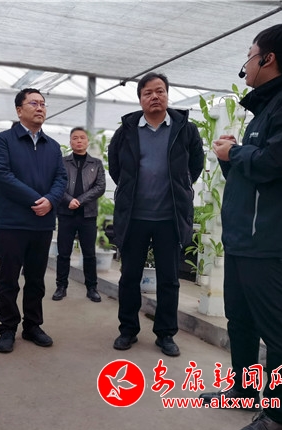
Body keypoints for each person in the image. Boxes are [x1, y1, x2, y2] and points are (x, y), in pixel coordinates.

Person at [199, 24, 282, 430]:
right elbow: (254, 174)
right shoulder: (266, 111)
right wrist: (231, 157)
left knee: (277, 330)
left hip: (272, 241)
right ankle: (244, 389)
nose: (247, 63)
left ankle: (278, 416)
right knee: (241, 321)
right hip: (245, 238)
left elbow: (278, 162)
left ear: (268, 58)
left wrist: (236, 152)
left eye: (250, 54)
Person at [108, 72, 203, 356]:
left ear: (167, 94)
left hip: (169, 218)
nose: (155, 97)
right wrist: (130, 190)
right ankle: (128, 330)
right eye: (148, 92)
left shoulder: (185, 130)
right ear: (140, 98)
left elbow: (195, 165)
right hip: (134, 217)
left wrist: (180, 188)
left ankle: (165, 334)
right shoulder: (126, 130)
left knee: (169, 280)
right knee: (129, 277)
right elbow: (116, 167)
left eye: (160, 91)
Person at [0, 88, 67, 353]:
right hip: (13, 222)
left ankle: (33, 325)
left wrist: (51, 200)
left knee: (36, 279)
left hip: (42, 224)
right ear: (19, 109)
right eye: (33, 103)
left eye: (43, 104)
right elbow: (2, 175)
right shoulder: (4, 140)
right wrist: (38, 200)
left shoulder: (53, 146)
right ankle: (7, 328)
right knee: (9, 279)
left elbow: (61, 178)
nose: (40, 108)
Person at [52, 127, 106, 302]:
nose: (79, 141)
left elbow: (100, 187)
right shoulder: (62, 162)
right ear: (70, 142)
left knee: (89, 254)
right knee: (63, 253)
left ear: (87, 141)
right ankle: (61, 286)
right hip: (66, 213)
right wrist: (68, 200)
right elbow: (56, 184)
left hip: (87, 215)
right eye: (75, 138)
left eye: (82, 137)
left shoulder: (96, 164)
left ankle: (92, 288)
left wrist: (80, 200)